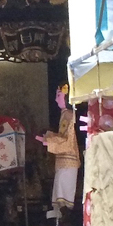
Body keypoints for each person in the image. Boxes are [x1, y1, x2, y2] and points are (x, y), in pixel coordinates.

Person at [36, 84, 80, 216]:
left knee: (63, 192)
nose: (56, 100)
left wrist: (48, 141)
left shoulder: (69, 115)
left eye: (59, 96)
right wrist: (48, 138)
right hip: (63, 159)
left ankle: (64, 217)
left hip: (69, 159)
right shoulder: (65, 114)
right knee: (59, 189)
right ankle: (58, 215)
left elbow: (67, 140)